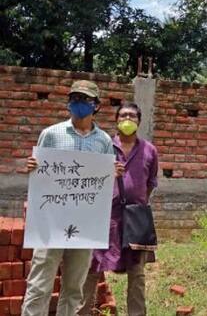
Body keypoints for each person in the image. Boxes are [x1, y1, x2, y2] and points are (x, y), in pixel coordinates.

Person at [23, 80, 123, 316]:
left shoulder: (104, 142)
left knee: (74, 289)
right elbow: (41, 174)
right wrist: (32, 167)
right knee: (39, 285)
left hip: (85, 226)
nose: (79, 104)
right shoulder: (51, 134)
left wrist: (112, 173)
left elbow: (104, 184)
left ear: (96, 106)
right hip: (50, 223)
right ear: (69, 102)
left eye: (85, 100)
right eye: (75, 98)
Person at [78, 102, 159, 316]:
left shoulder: (149, 150)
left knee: (137, 273)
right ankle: (82, 312)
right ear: (116, 120)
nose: (127, 119)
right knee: (92, 267)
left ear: (139, 121)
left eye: (132, 116)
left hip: (136, 219)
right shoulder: (103, 146)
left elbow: (151, 183)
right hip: (104, 217)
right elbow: (89, 178)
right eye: (123, 115)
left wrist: (137, 203)